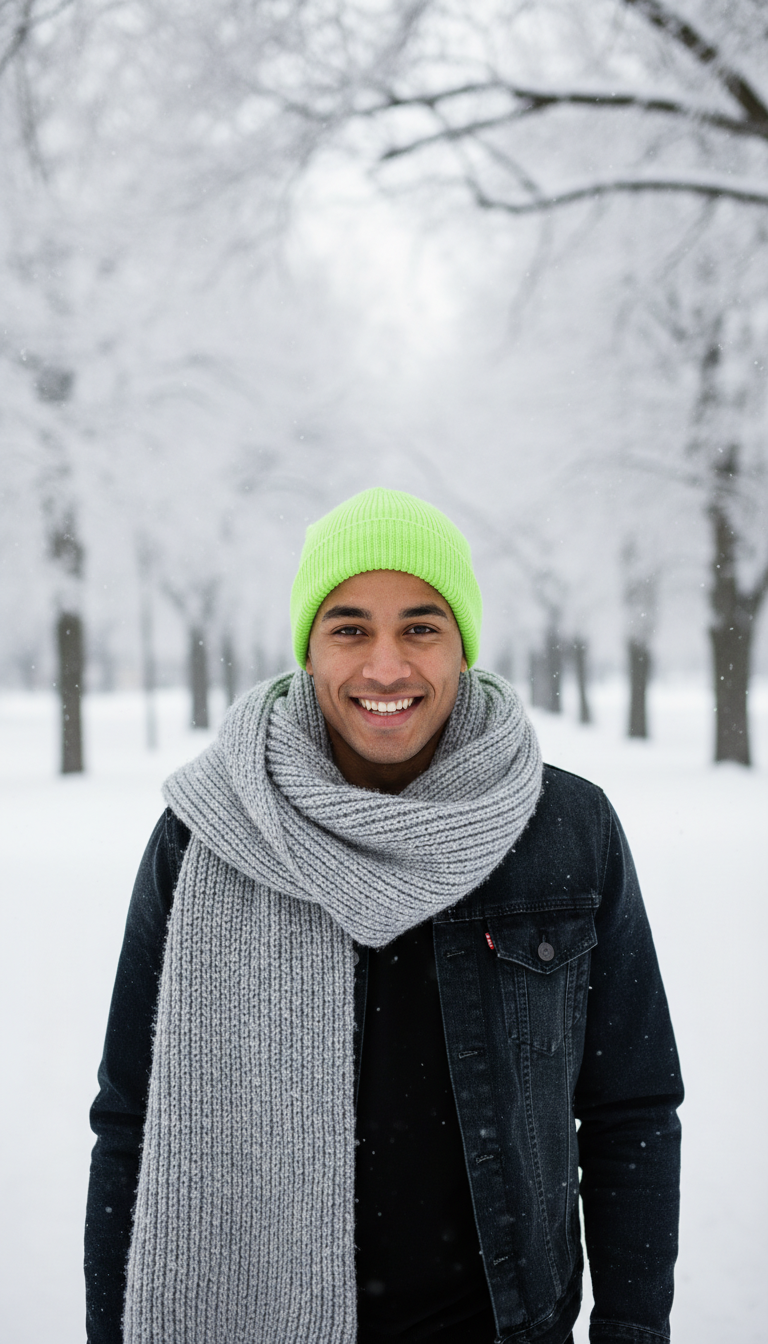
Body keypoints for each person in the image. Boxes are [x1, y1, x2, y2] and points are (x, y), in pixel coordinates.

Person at [85, 487, 682, 1344]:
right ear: (308, 649)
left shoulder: (565, 829)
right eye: (350, 628)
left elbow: (632, 1110)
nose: (387, 668)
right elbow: (131, 1119)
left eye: (421, 627)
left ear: (464, 646)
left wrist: (633, 1329)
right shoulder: (205, 835)